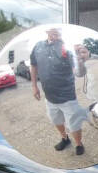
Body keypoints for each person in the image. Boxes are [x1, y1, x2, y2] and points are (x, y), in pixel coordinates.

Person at [29, 28, 89, 156]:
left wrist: (81, 62)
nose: (56, 33)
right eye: (53, 30)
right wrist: (34, 86)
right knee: (56, 120)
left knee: (74, 124)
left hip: (67, 97)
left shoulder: (66, 47)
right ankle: (65, 138)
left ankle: (79, 144)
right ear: (47, 30)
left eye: (58, 31)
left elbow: (78, 73)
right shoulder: (38, 46)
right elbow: (34, 65)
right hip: (49, 97)